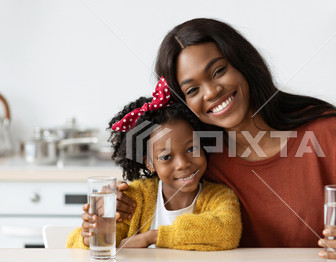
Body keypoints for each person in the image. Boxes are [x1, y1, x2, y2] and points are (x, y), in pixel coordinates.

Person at [115, 18, 336, 262]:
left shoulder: (327, 133)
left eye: (219, 71)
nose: (211, 92)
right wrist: (115, 209)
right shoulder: (201, 157)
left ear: (243, 64)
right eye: (193, 89)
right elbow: (154, 209)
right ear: (183, 102)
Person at [67, 77, 242, 251]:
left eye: (192, 149)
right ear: (149, 163)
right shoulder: (134, 199)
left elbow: (227, 232)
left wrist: (151, 237)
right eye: (166, 157)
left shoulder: (219, 196)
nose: (182, 164)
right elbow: (75, 246)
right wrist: (92, 236)